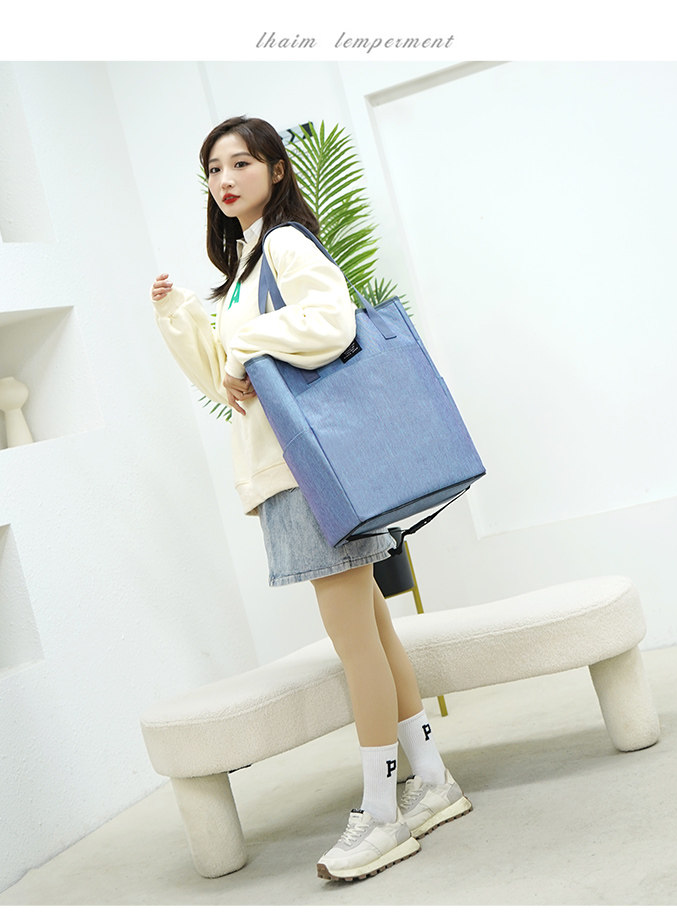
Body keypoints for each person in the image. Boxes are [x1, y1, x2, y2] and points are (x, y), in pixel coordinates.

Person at [150, 116, 472, 882]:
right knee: (374, 632)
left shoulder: (286, 244)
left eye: (240, 163)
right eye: (213, 169)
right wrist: (182, 316)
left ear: (275, 170)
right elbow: (229, 385)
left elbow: (330, 321)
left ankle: (382, 812)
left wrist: (244, 343)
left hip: (312, 471)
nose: (224, 179)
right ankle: (430, 779)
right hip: (300, 470)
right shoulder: (248, 265)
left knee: (354, 643)